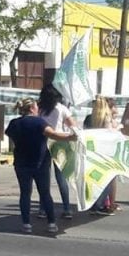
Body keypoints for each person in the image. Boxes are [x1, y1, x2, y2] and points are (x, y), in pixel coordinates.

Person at [6, 97, 76, 234]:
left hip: (21, 163)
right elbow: (54, 134)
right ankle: (51, 223)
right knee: (45, 194)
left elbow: (10, 136)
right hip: (40, 163)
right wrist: (71, 137)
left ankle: (26, 224)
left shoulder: (14, 123)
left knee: (25, 194)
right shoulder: (39, 122)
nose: (38, 109)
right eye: (37, 106)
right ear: (32, 108)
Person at [37, 84, 75, 220]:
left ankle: (42, 209)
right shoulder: (62, 109)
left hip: (43, 142)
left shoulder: (40, 109)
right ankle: (67, 208)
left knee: (44, 178)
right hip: (60, 142)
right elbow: (73, 125)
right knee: (61, 178)